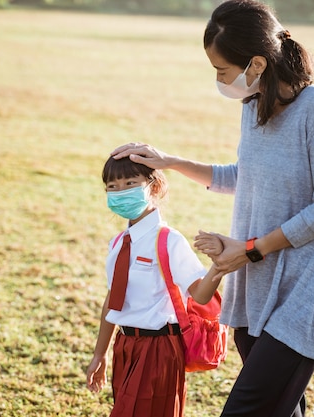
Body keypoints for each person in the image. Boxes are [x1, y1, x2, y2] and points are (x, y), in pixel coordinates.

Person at [111, 1, 314, 416]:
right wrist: (168, 161)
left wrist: (248, 249)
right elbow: (245, 176)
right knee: (280, 408)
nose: (219, 79)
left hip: (304, 290)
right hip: (256, 287)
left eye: (222, 70)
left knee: (247, 409)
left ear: (257, 63)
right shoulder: (254, 106)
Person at [86, 155, 223, 417]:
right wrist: (99, 354)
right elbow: (112, 300)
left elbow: (201, 295)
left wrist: (218, 266)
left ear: (155, 187)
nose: (121, 192)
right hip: (124, 344)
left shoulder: (168, 240)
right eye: (112, 186)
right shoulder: (118, 243)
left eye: (130, 183)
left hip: (158, 348)